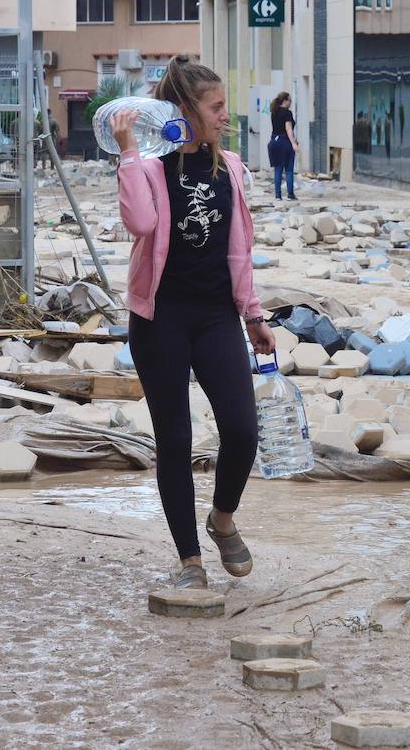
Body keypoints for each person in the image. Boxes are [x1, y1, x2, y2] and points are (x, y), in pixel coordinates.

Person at [113, 56, 276, 589]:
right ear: (183, 111)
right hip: (160, 321)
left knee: (242, 429)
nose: (225, 116)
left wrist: (253, 315)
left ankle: (222, 518)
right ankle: (189, 561)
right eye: (216, 107)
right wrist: (130, 153)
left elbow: (239, 253)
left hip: (216, 318)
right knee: (175, 439)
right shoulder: (152, 168)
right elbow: (140, 223)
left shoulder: (228, 166)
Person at [267, 91, 299, 200]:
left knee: (278, 169)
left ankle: (278, 195)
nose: (290, 103)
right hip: (284, 142)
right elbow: (288, 128)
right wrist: (294, 143)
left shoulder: (274, 112)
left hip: (274, 142)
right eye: (290, 100)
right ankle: (290, 194)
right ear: (285, 100)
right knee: (289, 169)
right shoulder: (287, 113)